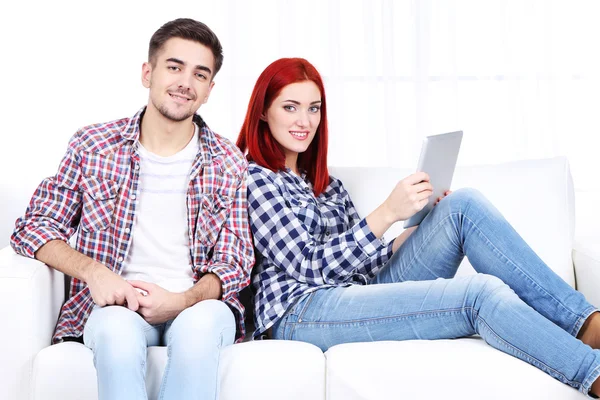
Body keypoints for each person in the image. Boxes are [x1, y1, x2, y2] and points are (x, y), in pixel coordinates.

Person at [236, 57, 600, 397]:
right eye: (290, 107)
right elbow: (309, 266)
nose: (305, 121)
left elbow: (354, 264)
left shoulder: (326, 185)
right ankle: (594, 372)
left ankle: (585, 324)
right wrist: (388, 212)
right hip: (302, 311)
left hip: (353, 292)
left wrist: (414, 230)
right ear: (264, 112)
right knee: (479, 293)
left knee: (461, 207)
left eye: (313, 108)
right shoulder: (256, 178)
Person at [11, 18, 254, 400]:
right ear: (148, 73)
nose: (185, 83)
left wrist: (182, 300)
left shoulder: (228, 162)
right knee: (114, 334)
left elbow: (235, 261)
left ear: (209, 90)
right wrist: (95, 273)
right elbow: (34, 226)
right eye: (174, 67)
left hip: (196, 307)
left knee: (200, 331)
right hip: (116, 308)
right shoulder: (93, 146)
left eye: (199, 74)